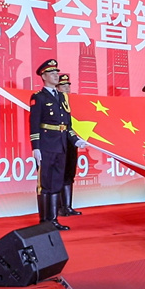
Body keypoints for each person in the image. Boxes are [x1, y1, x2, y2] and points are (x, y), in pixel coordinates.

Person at [29, 59, 86, 231]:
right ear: (44, 76)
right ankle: (45, 220)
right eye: (52, 73)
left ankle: (53, 219)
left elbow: (67, 125)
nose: (56, 75)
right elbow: (34, 123)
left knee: (56, 182)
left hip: (61, 144)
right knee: (46, 183)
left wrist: (75, 140)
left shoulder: (62, 97)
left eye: (57, 73)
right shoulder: (38, 97)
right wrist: (35, 147)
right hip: (46, 144)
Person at [57, 73, 82, 217]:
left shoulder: (75, 102)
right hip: (58, 141)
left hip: (72, 141)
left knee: (69, 172)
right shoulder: (55, 102)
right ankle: (59, 207)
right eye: (63, 85)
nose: (67, 87)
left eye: (68, 85)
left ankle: (67, 206)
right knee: (59, 173)